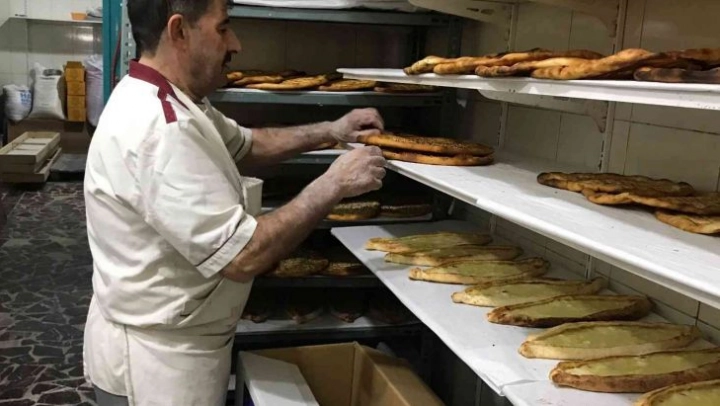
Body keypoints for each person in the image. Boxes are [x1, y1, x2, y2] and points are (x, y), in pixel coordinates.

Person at [82, 0, 387, 404]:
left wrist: (332, 130)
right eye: (223, 28)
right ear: (179, 31)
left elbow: (248, 144)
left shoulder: (171, 98)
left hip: (175, 346)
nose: (236, 44)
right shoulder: (160, 130)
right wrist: (334, 183)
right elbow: (243, 255)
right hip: (155, 369)